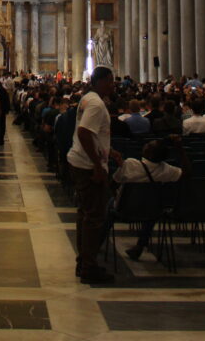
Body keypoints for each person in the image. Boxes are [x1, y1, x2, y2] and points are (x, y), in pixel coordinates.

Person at [67, 64, 115, 284]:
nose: (113, 85)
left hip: (80, 160)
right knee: (94, 218)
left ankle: (83, 261)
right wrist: (97, 164)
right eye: (111, 81)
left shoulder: (88, 98)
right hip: (88, 166)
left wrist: (109, 151)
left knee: (85, 215)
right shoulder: (95, 103)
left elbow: (92, 135)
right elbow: (84, 132)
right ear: (101, 81)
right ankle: (89, 267)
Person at [111, 136, 189, 260]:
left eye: (148, 145)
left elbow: (113, 182)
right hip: (151, 211)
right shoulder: (166, 170)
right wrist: (180, 149)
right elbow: (187, 173)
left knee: (109, 208)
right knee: (153, 208)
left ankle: (97, 241)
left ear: (149, 153)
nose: (146, 144)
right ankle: (140, 245)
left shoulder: (130, 163)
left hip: (125, 209)